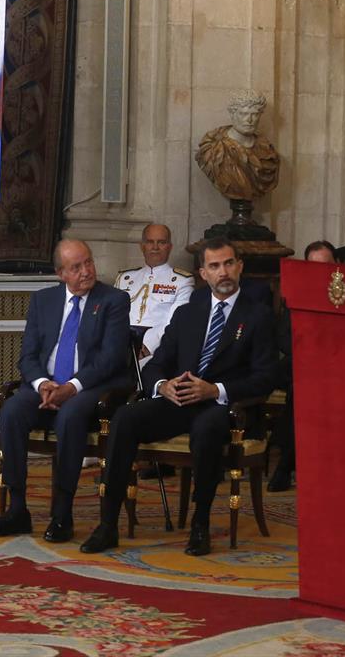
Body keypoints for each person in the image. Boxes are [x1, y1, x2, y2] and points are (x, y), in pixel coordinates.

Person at [80, 238, 278, 556]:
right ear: (204, 273)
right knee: (125, 419)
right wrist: (161, 385)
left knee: (206, 428)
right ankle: (107, 524)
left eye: (229, 264)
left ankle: (200, 525)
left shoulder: (258, 315)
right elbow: (158, 362)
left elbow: (266, 377)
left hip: (227, 407)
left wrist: (216, 390)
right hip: (180, 400)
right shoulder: (189, 311)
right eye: (215, 266)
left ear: (240, 267)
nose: (223, 272)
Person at [0, 239, 131, 543]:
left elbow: (111, 359)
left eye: (88, 262)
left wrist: (71, 387)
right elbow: (28, 356)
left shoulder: (114, 300)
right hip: (46, 385)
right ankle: (17, 509)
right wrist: (42, 384)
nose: (86, 271)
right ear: (60, 273)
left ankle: (62, 514)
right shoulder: (43, 300)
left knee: (70, 416)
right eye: (76, 267)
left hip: (90, 387)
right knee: (11, 411)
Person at [267, 240, 337, 493]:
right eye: (313, 266)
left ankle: (285, 465)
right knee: (263, 377)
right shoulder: (295, 293)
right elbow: (283, 336)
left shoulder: (343, 293)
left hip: (333, 364)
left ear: (335, 266)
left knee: (300, 391)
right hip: (300, 359)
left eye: (325, 266)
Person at [115, 223, 194, 363]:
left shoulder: (182, 281)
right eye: (150, 242)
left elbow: (174, 322)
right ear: (142, 246)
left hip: (153, 350)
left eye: (161, 242)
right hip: (119, 345)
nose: (155, 247)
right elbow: (113, 316)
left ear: (169, 247)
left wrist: (147, 346)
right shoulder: (125, 278)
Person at [195, 91, 281, 202]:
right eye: (243, 114)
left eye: (254, 114)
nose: (249, 120)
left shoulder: (268, 150)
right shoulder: (213, 149)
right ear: (232, 114)